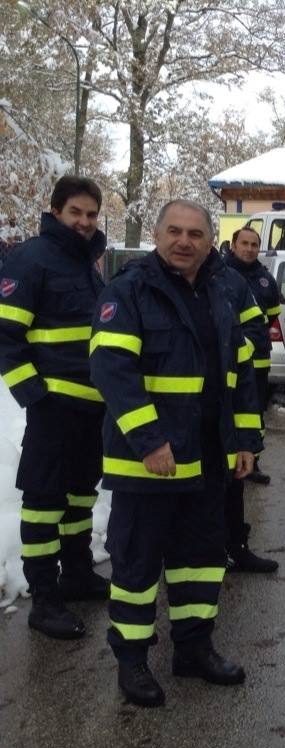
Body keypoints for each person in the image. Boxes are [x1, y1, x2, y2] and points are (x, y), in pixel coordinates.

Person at [89, 199, 263, 708]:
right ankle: (132, 661)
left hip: (207, 458)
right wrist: (151, 440)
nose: (184, 241)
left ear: (211, 241)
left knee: (201, 561)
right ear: (157, 235)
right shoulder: (129, 291)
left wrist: (247, 441)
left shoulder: (222, 293)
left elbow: (240, 377)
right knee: (137, 566)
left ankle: (193, 649)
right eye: (174, 231)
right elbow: (111, 370)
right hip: (149, 462)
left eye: (195, 233)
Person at [0, 176, 109, 640]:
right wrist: (35, 397)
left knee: (81, 495)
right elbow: (6, 337)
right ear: (57, 211)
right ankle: (45, 599)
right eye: (76, 213)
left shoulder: (87, 264)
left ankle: (77, 573)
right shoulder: (30, 260)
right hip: (53, 407)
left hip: (90, 408)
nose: (84, 222)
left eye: (91, 215)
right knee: (44, 501)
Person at [222, 226, 280, 572]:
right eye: (243, 243)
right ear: (232, 245)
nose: (249, 248)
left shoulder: (261, 281)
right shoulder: (220, 278)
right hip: (208, 389)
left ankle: (234, 545)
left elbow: (268, 319)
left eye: (254, 244)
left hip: (252, 368)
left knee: (253, 416)